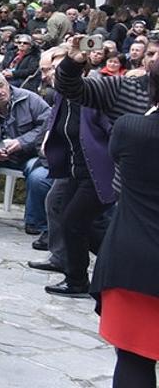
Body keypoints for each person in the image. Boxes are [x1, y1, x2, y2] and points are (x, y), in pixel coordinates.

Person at [44, 34, 147, 297]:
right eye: (49, 69)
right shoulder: (63, 96)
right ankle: (80, 269)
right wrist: (72, 60)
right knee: (71, 218)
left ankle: (81, 277)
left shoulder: (103, 91)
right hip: (76, 169)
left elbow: (115, 130)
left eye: (53, 67)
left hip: (101, 170)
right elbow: (60, 119)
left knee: (74, 220)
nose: (50, 73)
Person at [89, 61, 159, 388]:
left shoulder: (132, 129)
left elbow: (117, 154)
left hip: (136, 262)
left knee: (133, 360)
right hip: (138, 262)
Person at [0, 68, 53, 235]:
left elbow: (48, 125)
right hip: (1, 155)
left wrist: (22, 142)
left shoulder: (30, 98)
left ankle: (35, 222)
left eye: (0, 85)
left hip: (30, 154)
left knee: (38, 177)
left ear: (7, 82)